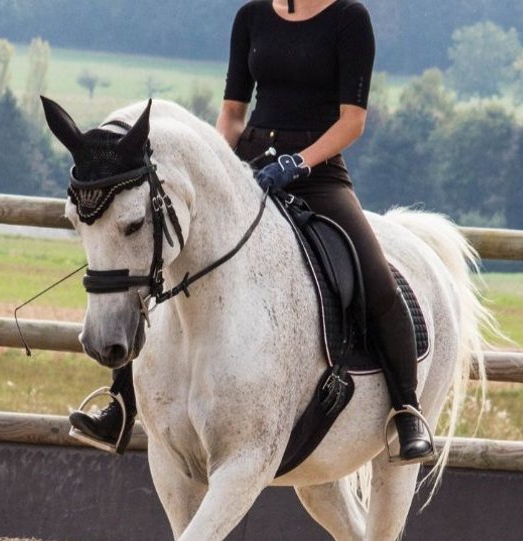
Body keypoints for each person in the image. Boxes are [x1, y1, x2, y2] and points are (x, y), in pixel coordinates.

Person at [70, 0, 434, 462]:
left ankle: (406, 410)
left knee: (377, 281)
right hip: (250, 168)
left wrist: (298, 162)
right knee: (158, 263)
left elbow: (352, 121)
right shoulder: (251, 17)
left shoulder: (350, 18)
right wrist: (218, 169)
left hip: (318, 174)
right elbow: (233, 113)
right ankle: (122, 403)